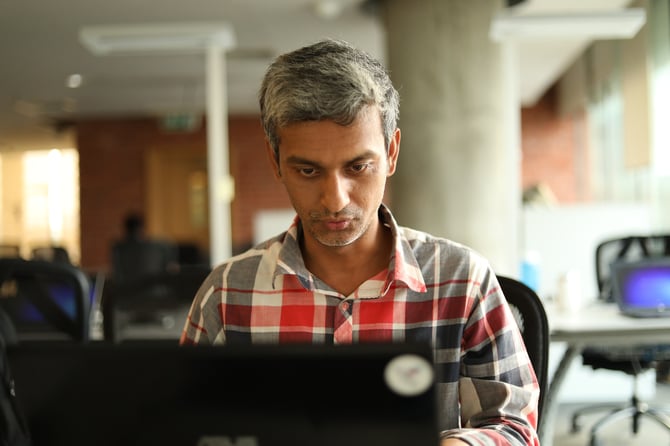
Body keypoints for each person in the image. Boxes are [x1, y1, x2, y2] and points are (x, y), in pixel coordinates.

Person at [180, 39, 539, 445]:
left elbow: (514, 426)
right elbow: (180, 428)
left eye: (358, 167)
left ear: (391, 152)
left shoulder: (463, 280)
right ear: (275, 161)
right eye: (308, 171)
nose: (335, 200)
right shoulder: (229, 294)